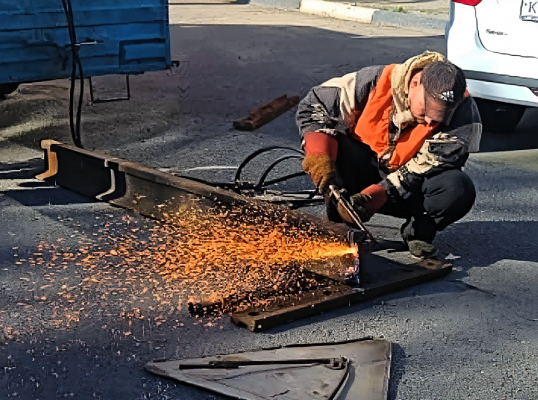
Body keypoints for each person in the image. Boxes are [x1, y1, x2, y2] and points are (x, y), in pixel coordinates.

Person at [296, 51, 482, 259]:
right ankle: (340, 226)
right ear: (414, 84)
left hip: (410, 185)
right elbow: (313, 107)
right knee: (334, 146)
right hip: (362, 170)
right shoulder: (372, 82)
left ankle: (418, 232)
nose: (430, 122)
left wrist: (377, 195)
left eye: (439, 117)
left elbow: (426, 168)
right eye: (425, 111)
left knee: (458, 188)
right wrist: (318, 153)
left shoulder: (465, 115)